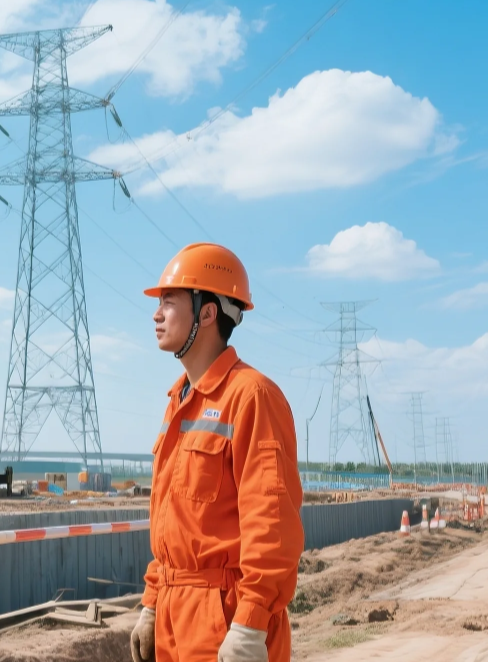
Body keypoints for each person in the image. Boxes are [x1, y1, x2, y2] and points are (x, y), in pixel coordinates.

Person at [131, 243, 303, 662]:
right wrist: (153, 601)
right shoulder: (179, 401)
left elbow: (271, 520)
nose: (156, 314)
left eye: (169, 302)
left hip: (223, 618)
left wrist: (250, 622)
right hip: (176, 615)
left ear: (207, 313)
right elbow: (174, 519)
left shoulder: (252, 396)